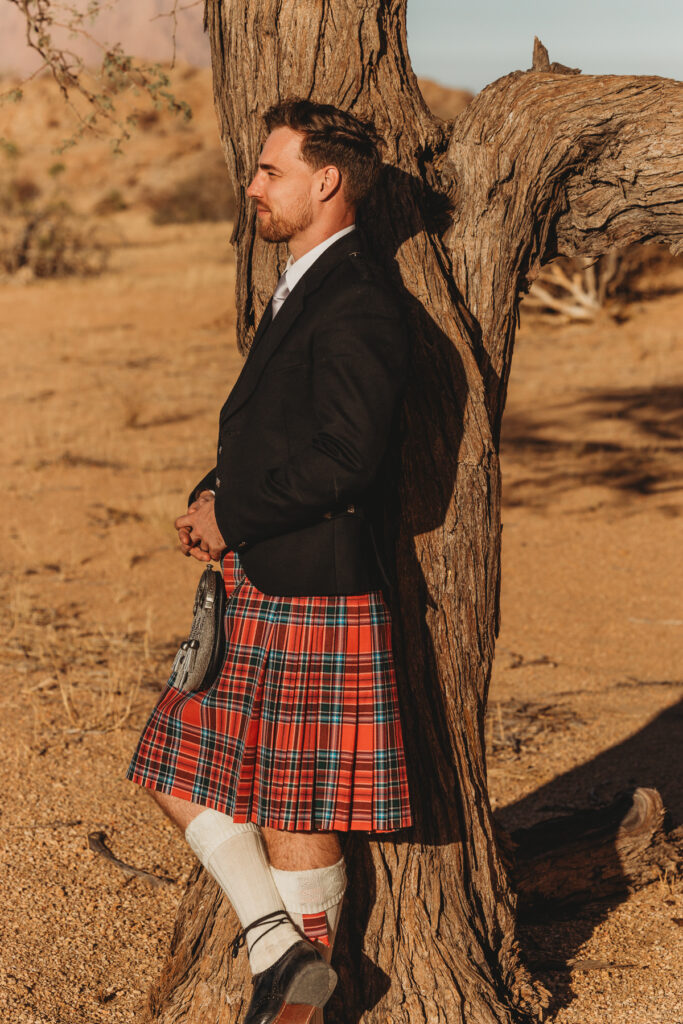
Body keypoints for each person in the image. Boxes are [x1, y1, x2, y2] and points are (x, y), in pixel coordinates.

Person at [126, 98, 413, 1024]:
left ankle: (306, 999)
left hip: (314, 582)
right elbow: (286, 425)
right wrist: (214, 497)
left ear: (326, 181)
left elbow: (346, 457)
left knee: (295, 809)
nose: (251, 185)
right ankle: (283, 956)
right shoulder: (307, 283)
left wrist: (234, 513)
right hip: (266, 566)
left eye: (269, 171)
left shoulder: (360, 296)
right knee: (172, 765)